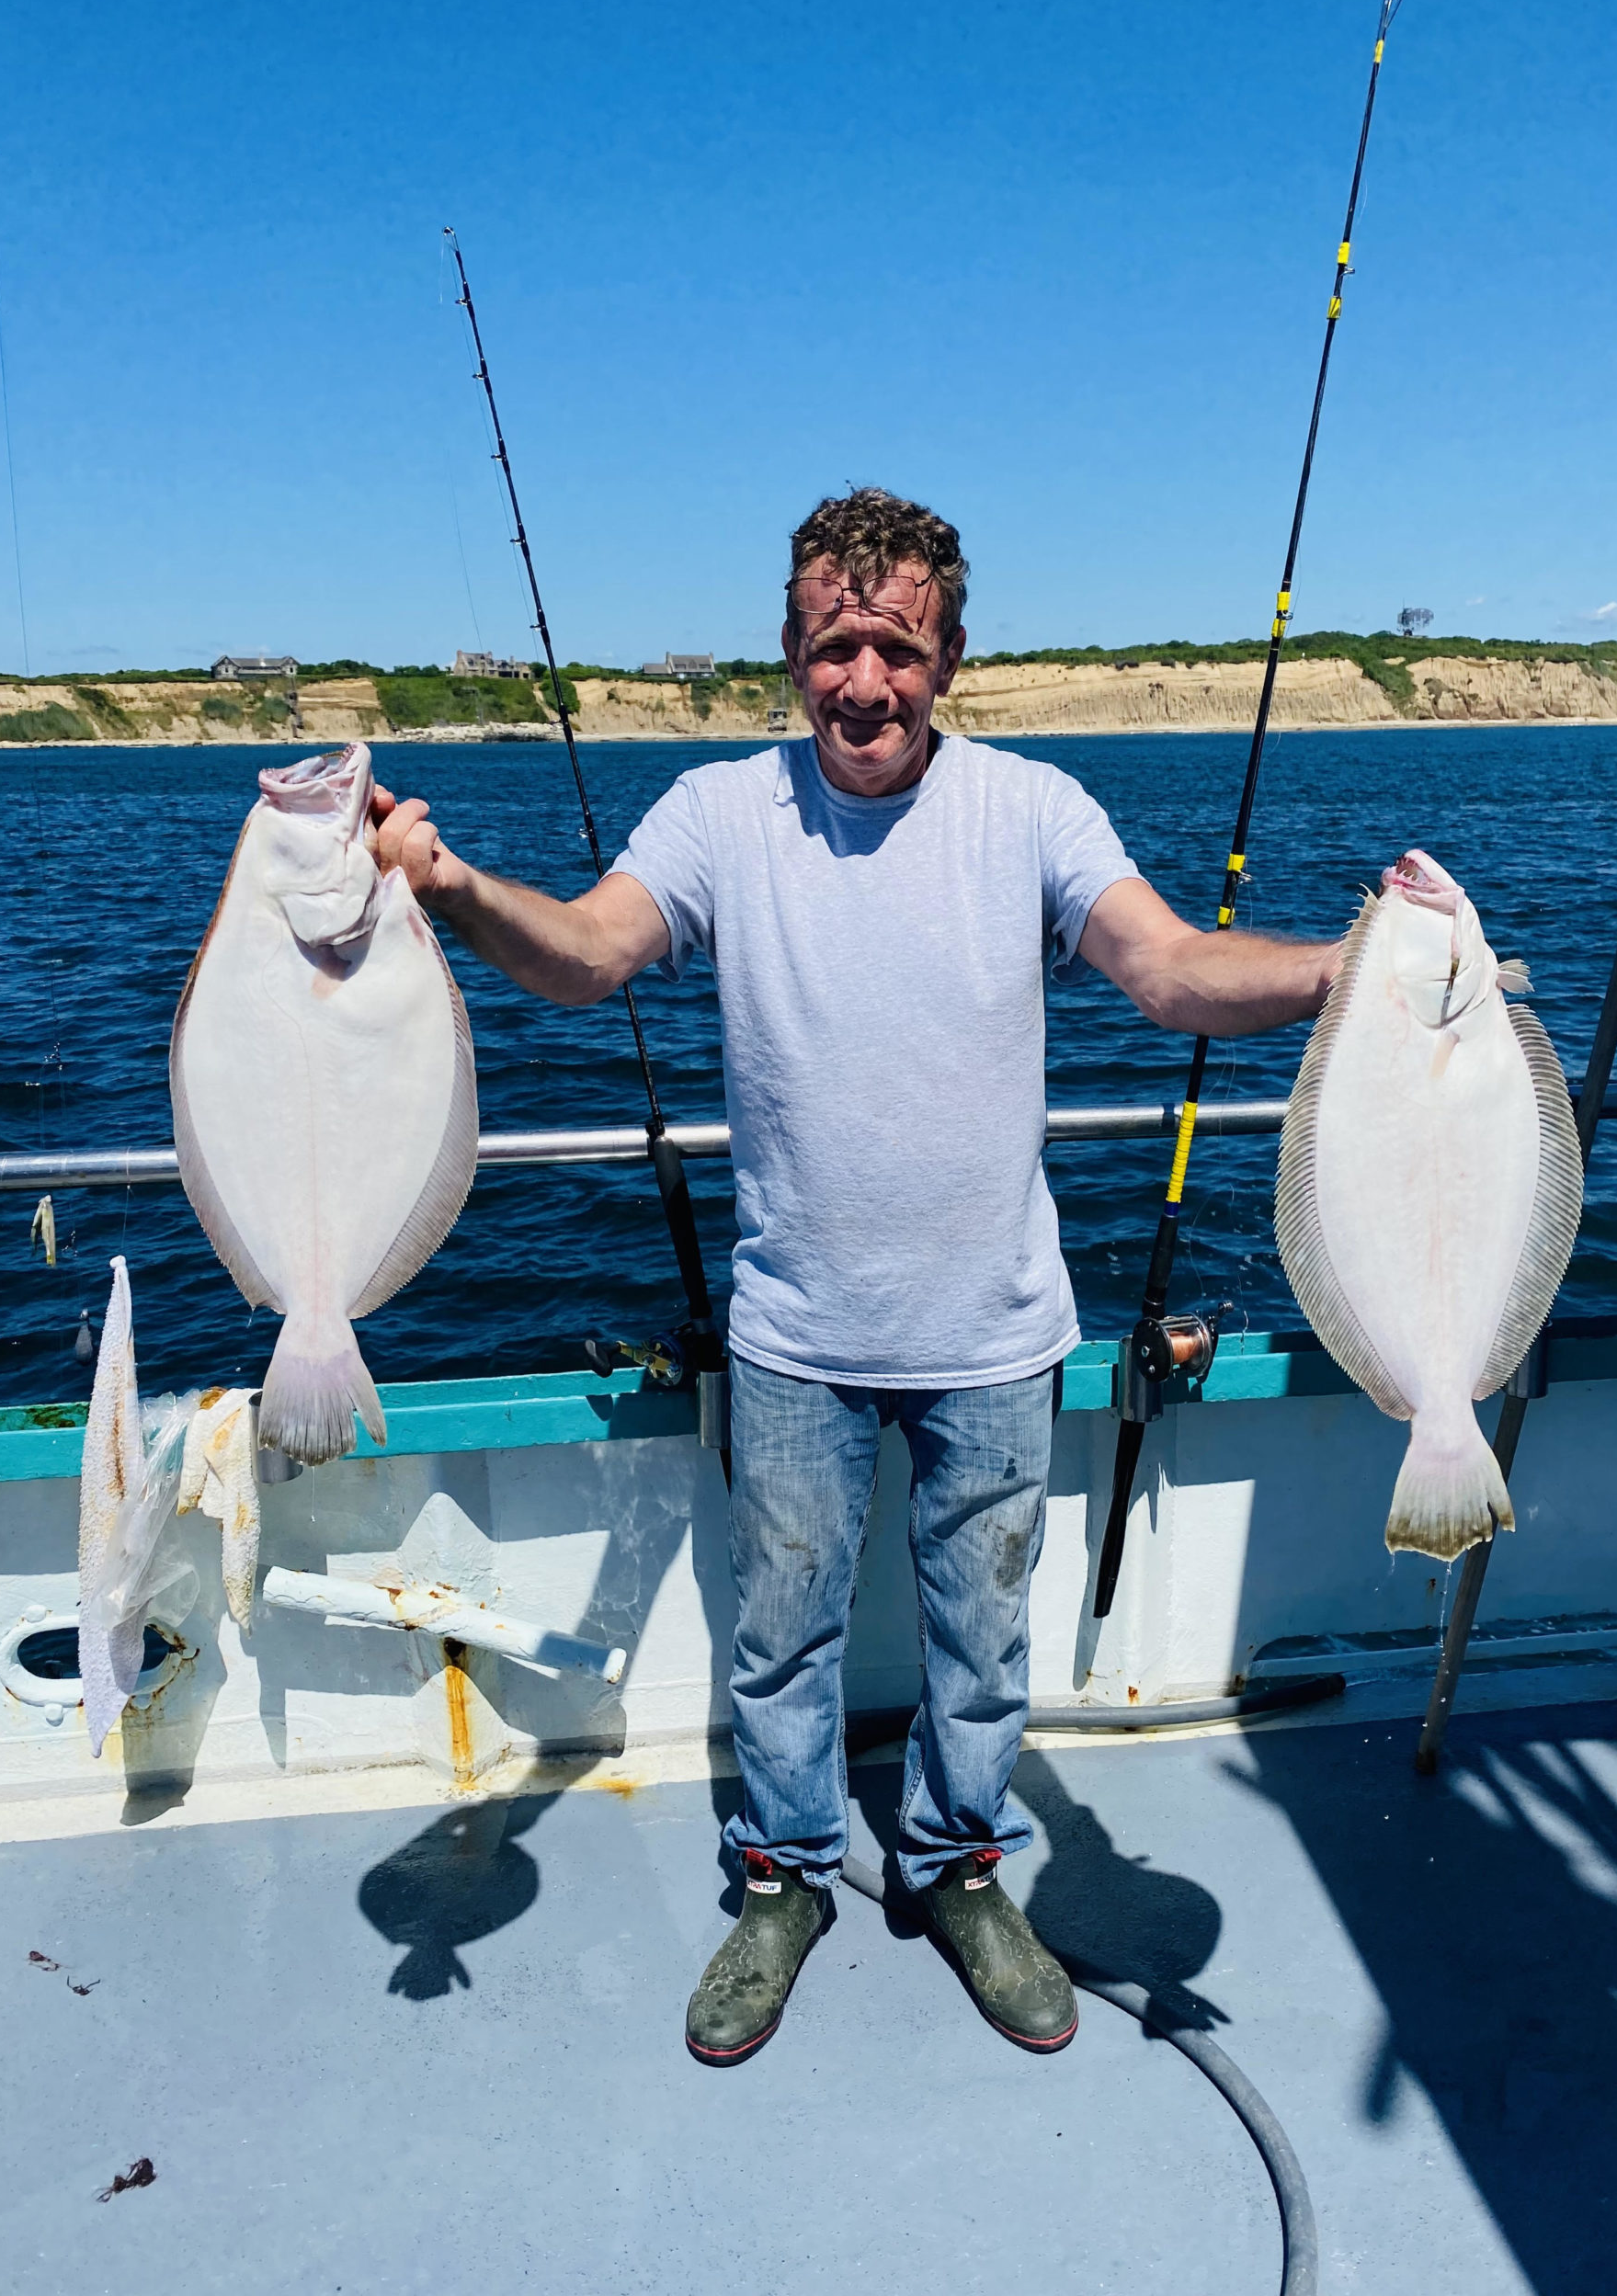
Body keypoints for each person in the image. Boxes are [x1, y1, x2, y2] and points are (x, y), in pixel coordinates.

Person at [372, 487, 1340, 2065]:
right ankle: (786, 1879)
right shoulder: (714, 814)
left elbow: (1166, 971)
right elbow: (585, 955)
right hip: (797, 1335)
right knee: (783, 1635)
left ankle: (962, 1872)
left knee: (982, 1639)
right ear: (791, 652)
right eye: (836, 647)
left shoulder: (1033, 810)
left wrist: (1341, 972)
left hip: (996, 1330)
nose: (865, 683)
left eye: (897, 646)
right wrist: (456, 888)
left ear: (949, 658)